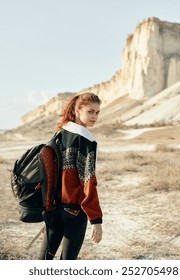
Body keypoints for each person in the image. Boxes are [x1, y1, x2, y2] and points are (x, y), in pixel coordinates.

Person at [38, 92, 103, 260]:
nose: (94, 116)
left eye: (97, 112)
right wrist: (96, 220)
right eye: (90, 111)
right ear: (77, 109)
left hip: (53, 207)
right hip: (74, 211)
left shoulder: (59, 134)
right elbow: (88, 182)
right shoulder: (87, 140)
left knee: (43, 260)